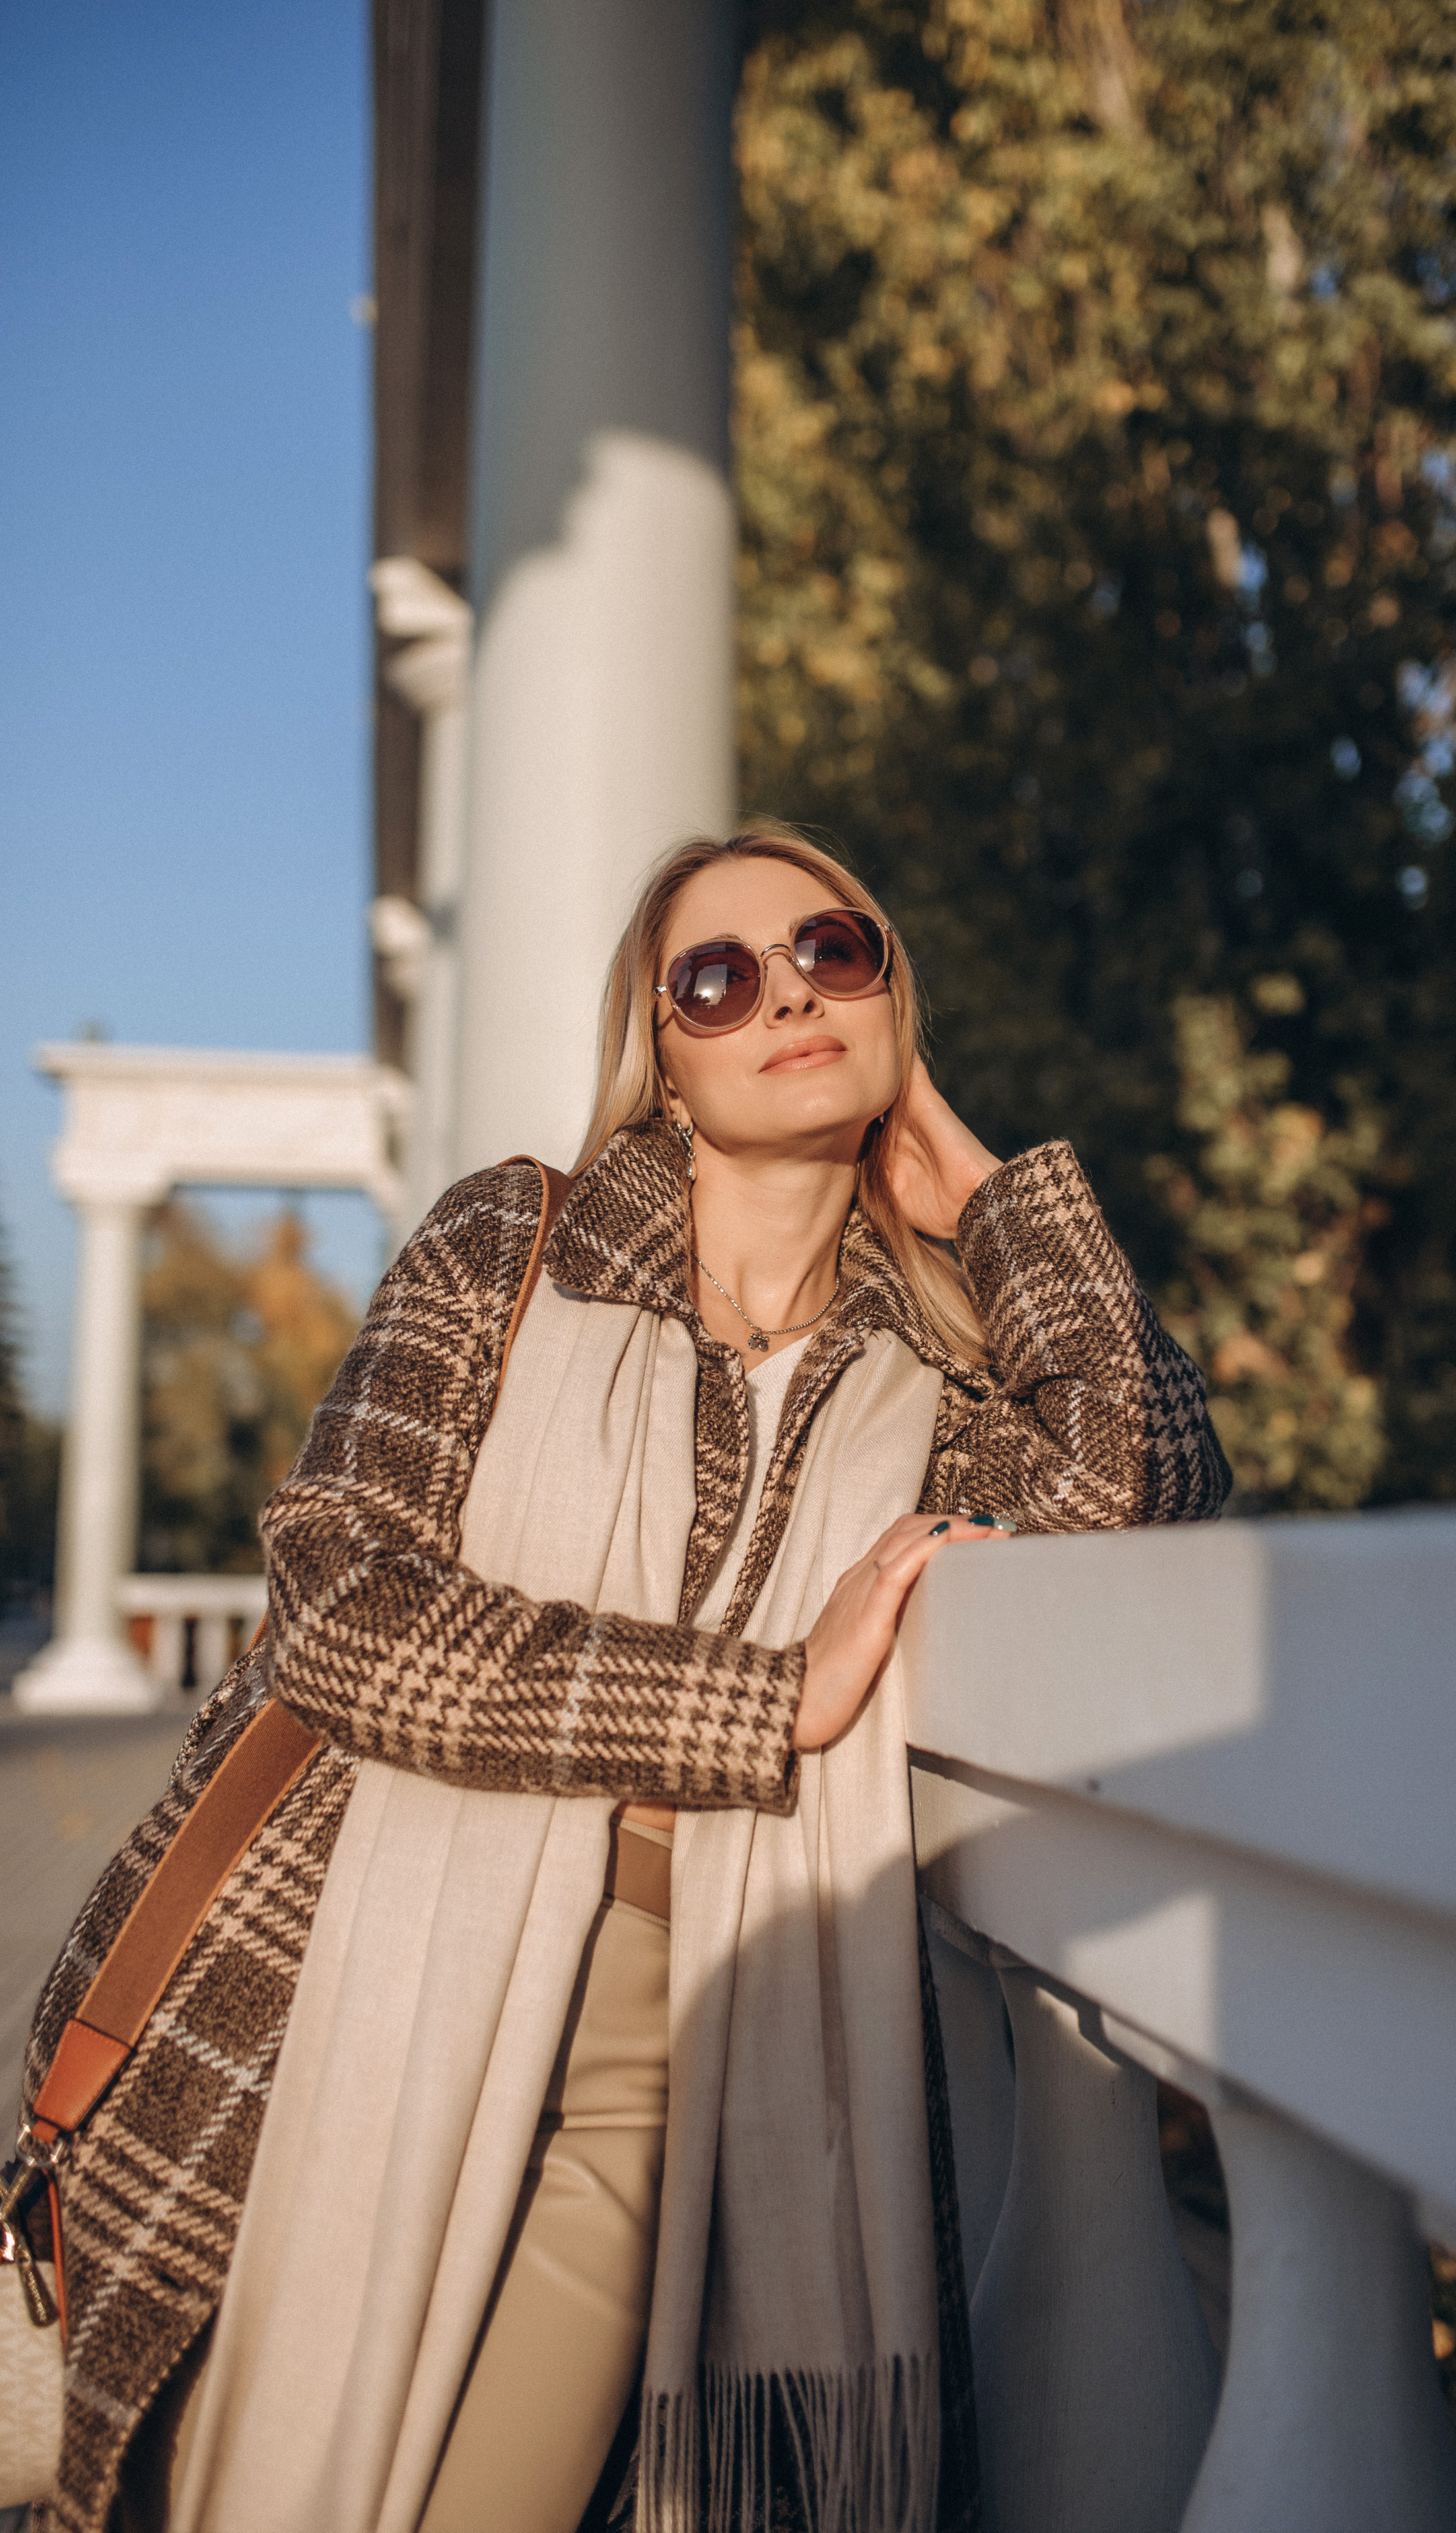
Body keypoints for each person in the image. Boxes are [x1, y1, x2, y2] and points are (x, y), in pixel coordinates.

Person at [25, 824, 1229, 2533]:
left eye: (835, 953)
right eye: (719, 979)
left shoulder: (924, 1383)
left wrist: (983, 1195)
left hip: (687, 2046)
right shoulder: (509, 1247)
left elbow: (1146, 1477)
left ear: (894, 999)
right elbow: (342, 1595)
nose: (787, 996)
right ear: (662, 1060)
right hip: (345, 1985)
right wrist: (762, 1698)